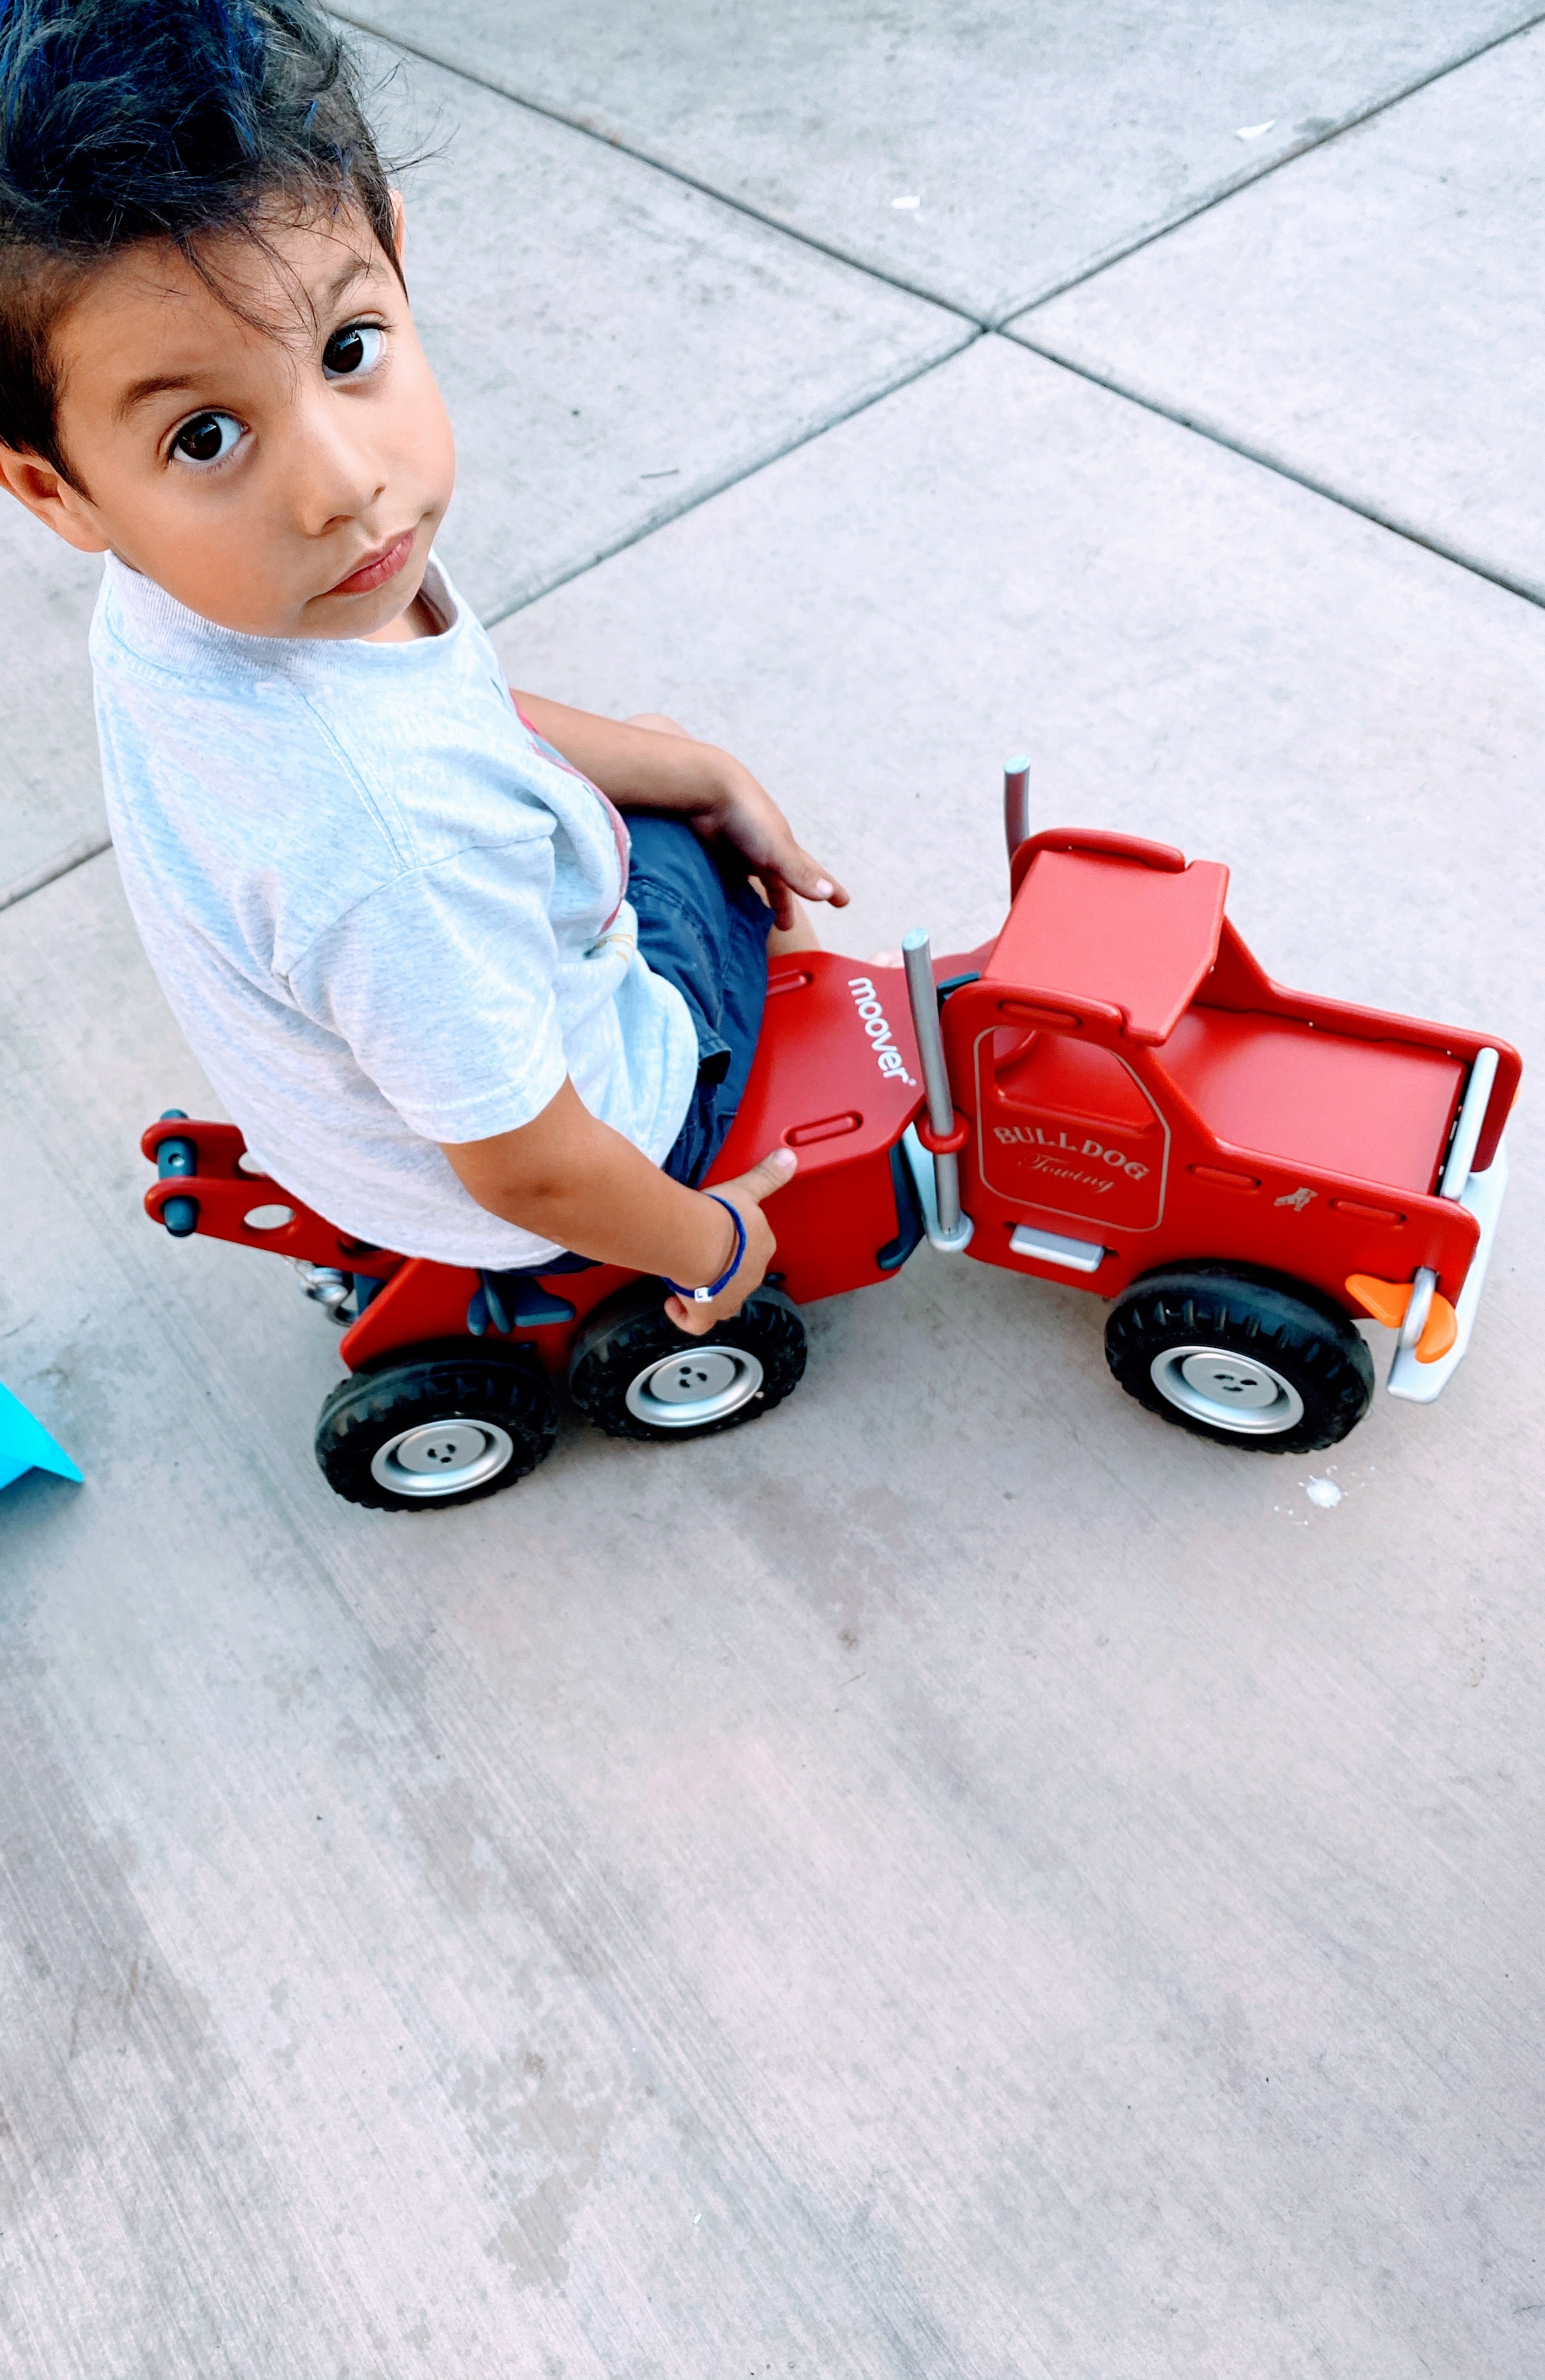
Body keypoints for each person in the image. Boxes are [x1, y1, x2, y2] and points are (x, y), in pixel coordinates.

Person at [0, 0, 849, 1334]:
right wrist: (711, 1240)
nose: (344, 488)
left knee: (663, 753)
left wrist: (688, 763)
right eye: (208, 436)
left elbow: (436, 721)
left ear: (394, 251)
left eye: (347, 353)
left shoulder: (195, 591)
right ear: (58, 492)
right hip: (569, 1162)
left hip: (366, 1124)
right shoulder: (391, 847)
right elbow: (528, 1161)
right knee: (710, 865)